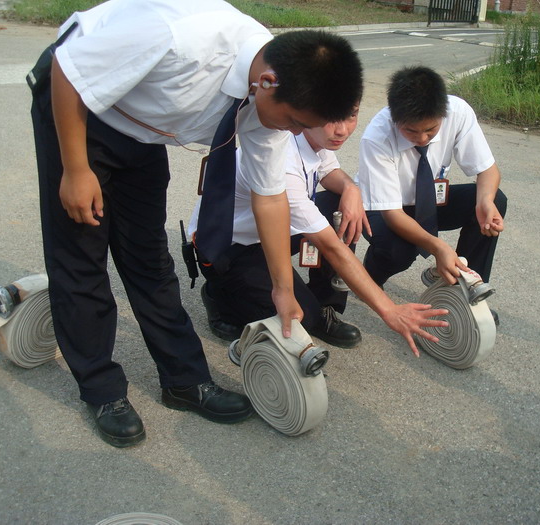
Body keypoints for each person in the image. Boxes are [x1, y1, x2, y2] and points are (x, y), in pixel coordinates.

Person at [30, 0, 363, 447]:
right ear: (266, 83)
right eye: (296, 123)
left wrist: (282, 289)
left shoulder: (277, 93)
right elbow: (69, 71)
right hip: (78, 104)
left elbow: (269, 199)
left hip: (143, 129)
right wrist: (75, 169)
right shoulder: (178, 38)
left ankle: (184, 381)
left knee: (148, 257)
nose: (298, 134)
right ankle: (102, 390)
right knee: (82, 258)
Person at [190, 107, 448, 356]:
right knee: (302, 318)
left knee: (341, 205)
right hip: (229, 248)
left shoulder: (311, 137)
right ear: (306, 112)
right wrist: (389, 310)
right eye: (330, 119)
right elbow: (331, 247)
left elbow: (328, 171)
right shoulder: (281, 162)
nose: (342, 130)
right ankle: (219, 295)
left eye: (351, 116)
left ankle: (326, 303)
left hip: (271, 229)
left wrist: (351, 188)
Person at [356, 66, 507, 320]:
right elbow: (392, 214)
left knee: (495, 200)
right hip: (384, 208)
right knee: (399, 251)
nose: (423, 138)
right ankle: (370, 278)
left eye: (431, 130)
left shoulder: (457, 112)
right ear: (394, 118)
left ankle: (465, 288)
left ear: (442, 114)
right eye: (411, 131)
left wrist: (485, 202)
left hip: (428, 201)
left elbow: (488, 170)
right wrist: (439, 248)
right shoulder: (376, 137)